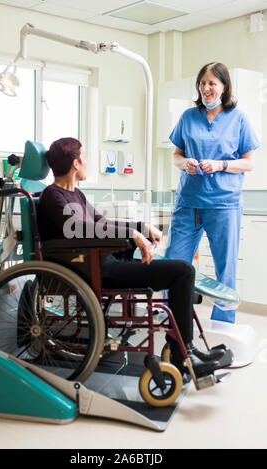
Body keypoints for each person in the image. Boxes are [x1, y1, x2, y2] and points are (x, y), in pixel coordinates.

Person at [37, 137, 225, 378]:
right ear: (76, 163)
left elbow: (101, 223)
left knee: (180, 271)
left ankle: (185, 349)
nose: (87, 161)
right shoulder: (53, 196)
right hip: (94, 270)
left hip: (103, 264)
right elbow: (81, 229)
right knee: (183, 271)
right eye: (84, 156)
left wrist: (141, 226)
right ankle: (184, 353)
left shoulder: (75, 195)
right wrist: (133, 235)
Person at [165, 62, 260, 323]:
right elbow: (176, 155)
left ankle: (223, 324)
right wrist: (186, 164)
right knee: (173, 263)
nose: (206, 88)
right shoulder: (188, 116)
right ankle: (170, 321)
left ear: (224, 87)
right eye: (202, 83)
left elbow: (249, 162)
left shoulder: (238, 118)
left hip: (223, 204)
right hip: (189, 203)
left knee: (225, 270)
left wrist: (221, 165)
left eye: (212, 83)